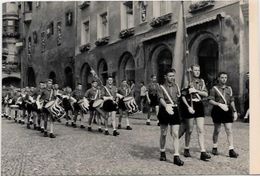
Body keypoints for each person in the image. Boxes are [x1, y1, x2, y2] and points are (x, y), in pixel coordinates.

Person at [179, 65, 211, 161]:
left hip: (199, 105)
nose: (197, 72)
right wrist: (188, 107)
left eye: (198, 70)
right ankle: (186, 148)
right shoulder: (187, 81)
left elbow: (206, 94)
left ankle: (202, 151)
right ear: (191, 71)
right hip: (190, 105)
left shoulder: (202, 81)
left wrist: (195, 90)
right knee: (189, 129)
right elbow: (183, 96)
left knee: (201, 129)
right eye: (195, 70)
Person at [208, 72, 239, 158]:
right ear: (218, 78)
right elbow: (210, 100)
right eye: (222, 77)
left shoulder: (229, 89)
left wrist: (234, 111)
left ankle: (231, 150)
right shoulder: (214, 89)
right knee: (217, 130)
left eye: (225, 77)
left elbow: (232, 101)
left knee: (229, 130)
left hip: (227, 110)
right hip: (217, 110)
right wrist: (219, 104)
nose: (224, 79)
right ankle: (214, 147)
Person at [157, 68, 184, 166]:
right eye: (170, 76)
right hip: (165, 110)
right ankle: (162, 151)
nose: (172, 78)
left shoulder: (177, 86)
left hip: (175, 110)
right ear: (165, 77)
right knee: (163, 133)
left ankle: (176, 156)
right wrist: (166, 106)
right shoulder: (161, 87)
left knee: (175, 133)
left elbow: (179, 98)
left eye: (173, 76)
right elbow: (160, 99)